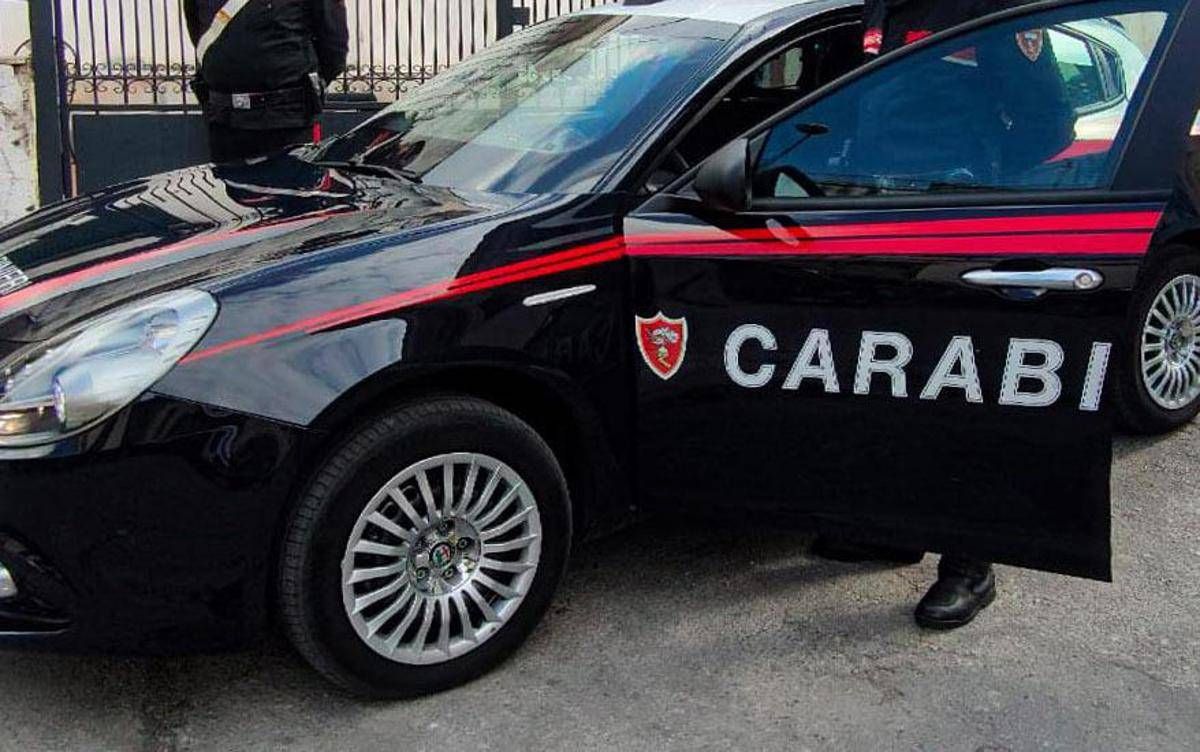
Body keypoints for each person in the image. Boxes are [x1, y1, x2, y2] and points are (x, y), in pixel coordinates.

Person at [813, 0, 1076, 631]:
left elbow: (1050, 122)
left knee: (958, 393)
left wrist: (980, 176)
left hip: (955, 225)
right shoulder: (881, 8)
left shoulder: (990, 9)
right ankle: (895, 530)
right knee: (885, 384)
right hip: (877, 220)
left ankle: (969, 563)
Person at [183, 0, 349, 162]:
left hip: (288, 120)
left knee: (293, 179)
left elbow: (334, 46)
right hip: (225, 120)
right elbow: (199, 32)